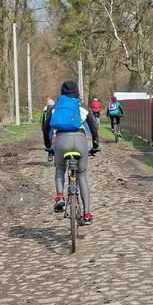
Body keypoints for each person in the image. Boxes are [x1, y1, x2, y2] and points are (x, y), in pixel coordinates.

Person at [42, 81, 100, 225]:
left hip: (61, 141)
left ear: (62, 92)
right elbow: (93, 128)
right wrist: (95, 145)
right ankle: (87, 214)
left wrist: (49, 146)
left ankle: (60, 196)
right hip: (80, 141)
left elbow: (45, 129)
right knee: (81, 175)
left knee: (60, 168)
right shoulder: (82, 107)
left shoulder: (55, 107)